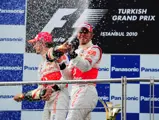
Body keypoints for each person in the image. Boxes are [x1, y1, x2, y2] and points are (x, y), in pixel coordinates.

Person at [46, 23, 102, 120]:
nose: (83, 34)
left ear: (91, 35)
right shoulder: (76, 52)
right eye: (80, 31)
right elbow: (68, 77)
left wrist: (71, 53)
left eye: (86, 32)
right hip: (75, 91)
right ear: (77, 34)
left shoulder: (95, 49)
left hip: (86, 90)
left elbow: (86, 66)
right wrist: (60, 61)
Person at [13, 32, 69, 120]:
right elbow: (41, 89)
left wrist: (52, 89)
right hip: (49, 100)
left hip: (60, 95)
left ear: (42, 42)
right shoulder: (41, 66)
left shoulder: (59, 55)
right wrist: (24, 96)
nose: (34, 46)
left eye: (35, 43)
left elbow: (67, 77)